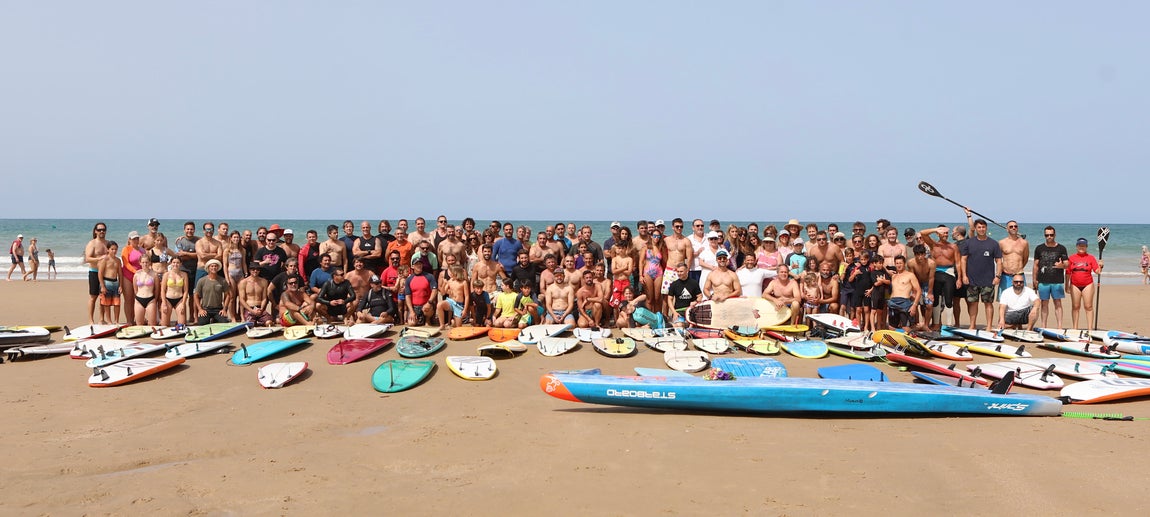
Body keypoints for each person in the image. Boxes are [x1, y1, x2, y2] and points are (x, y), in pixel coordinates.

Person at [960, 216, 1002, 329]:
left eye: (983, 227)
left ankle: (988, 326)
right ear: (976, 228)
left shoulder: (993, 244)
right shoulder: (969, 243)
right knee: (973, 303)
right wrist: (964, 275)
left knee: (988, 303)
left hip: (988, 280)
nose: (982, 229)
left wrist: (998, 276)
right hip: (972, 279)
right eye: (979, 227)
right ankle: (972, 325)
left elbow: (999, 261)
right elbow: (963, 259)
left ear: (986, 228)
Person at [919, 225, 959, 329]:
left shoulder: (953, 246)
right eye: (943, 233)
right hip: (935, 272)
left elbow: (958, 263)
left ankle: (949, 324)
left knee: (949, 300)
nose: (945, 235)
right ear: (938, 234)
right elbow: (923, 233)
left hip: (949, 272)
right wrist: (936, 229)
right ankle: (936, 324)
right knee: (935, 300)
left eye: (946, 233)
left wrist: (959, 278)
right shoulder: (933, 245)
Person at [1031, 226, 1069, 328]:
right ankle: (1044, 326)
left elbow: (1067, 264)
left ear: (1055, 235)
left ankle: (1059, 327)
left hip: (1057, 281)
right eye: (1047, 235)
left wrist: (1062, 266)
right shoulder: (1039, 248)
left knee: (1058, 303)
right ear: (1044, 235)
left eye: (1051, 235)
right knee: (1044, 304)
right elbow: (1035, 265)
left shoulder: (1061, 248)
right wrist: (1034, 280)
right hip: (1043, 281)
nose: (1049, 237)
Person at [1067, 237, 1103, 330]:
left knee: (1088, 306)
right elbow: (1067, 273)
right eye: (1079, 245)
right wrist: (1066, 285)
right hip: (1074, 284)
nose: (1081, 247)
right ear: (1076, 246)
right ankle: (1075, 328)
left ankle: (1090, 329)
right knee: (1075, 306)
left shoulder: (1091, 258)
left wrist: (1101, 266)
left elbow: (1097, 271)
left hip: (1088, 284)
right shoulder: (1071, 258)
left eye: (1083, 245)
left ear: (1086, 246)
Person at [84, 223, 110, 324]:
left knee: (103, 297)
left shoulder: (108, 243)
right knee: (93, 296)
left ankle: (102, 319)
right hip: (94, 272)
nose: (101, 231)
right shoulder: (92, 243)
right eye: (99, 230)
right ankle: (91, 320)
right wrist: (99, 258)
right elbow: (87, 258)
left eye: (103, 229)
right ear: (95, 231)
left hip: (106, 273)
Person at [887, 256, 921, 333]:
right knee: (891, 327)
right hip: (893, 302)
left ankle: (913, 335)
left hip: (904, 302)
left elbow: (918, 290)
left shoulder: (910, 275)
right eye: (897, 263)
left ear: (904, 264)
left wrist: (914, 305)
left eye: (900, 263)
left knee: (905, 327)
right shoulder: (893, 276)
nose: (899, 265)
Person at [193, 259, 231, 325]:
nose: (214, 268)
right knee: (202, 324)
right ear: (208, 268)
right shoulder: (202, 281)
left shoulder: (222, 280)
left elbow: (227, 295)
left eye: (215, 266)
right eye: (212, 266)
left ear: (218, 268)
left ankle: (214, 319)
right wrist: (200, 309)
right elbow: (196, 295)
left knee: (224, 323)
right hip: (205, 309)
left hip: (218, 309)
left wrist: (224, 309)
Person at [665, 262, 702, 327]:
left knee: (689, 325)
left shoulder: (694, 283)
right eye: (678, 271)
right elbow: (669, 299)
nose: (679, 273)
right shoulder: (674, 284)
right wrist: (674, 312)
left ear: (687, 270)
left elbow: (700, 296)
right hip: (679, 311)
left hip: (691, 311)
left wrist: (695, 302)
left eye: (681, 271)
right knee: (679, 325)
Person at [998, 221, 1030, 296]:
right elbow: (998, 259)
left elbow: (1025, 258)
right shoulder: (1001, 242)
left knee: (1022, 300)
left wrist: (1018, 269)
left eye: (1015, 226)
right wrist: (1002, 269)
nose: (1013, 228)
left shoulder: (1024, 243)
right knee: (1004, 300)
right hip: (1005, 276)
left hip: (1020, 275)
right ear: (1007, 229)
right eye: (1011, 226)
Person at [403, 259, 437, 326]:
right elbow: (407, 296)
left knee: (427, 319)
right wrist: (412, 311)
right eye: (417, 264)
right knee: (411, 323)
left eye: (420, 264)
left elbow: (435, 290)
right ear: (412, 266)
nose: (419, 265)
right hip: (415, 307)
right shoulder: (409, 280)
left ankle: (428, 320)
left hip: (427, 305)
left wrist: (429, 302)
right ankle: (419, 319)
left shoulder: (429, 276)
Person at [436, 265, 470, 329]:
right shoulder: (450, 281)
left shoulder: (463, 282)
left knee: (458, 327)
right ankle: (442, 325)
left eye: (452, 272)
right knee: (439, 305)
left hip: (458, 304)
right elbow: (443, 293)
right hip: (450, 301)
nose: (450, 274)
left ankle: (454, 322)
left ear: (457, 273)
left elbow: (467, 296)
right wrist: (444, 284)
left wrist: (465, 309)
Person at [98, 241, 123, 324]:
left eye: (115, 249)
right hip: (106, 282)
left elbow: (120, 274)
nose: (114, 251)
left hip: (115, 282)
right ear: (108, 249)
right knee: (106, 303)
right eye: (112, 249)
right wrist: (102, 286)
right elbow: (100, 273)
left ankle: (116, 320)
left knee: (117, 303)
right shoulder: (105, 260)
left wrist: (120, 285)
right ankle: (109, 320)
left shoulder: (118, 260)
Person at [160, 256, 190, 327]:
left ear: (180, 264)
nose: (175, 264)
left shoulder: (184, 275)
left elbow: (186, 291)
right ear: (171, 263)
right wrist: (164, 303)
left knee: (182, 325)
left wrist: (183, 303)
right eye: (173, 262)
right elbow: (163, 290)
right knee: (165, 325)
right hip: (168, 299)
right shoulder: (166, 275)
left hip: (179, 299)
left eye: (177, 263)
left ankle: (179, 321)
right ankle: (162, 321)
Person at [132, 254, 158, 325]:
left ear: (149, 262)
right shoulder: (137, 274)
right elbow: (135, 289)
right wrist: (138, 296)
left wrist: (155, 300)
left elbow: (156, 289)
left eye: (146, 262)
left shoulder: (154, 274)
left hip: (150, 300)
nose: (145, 264)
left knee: (152, 323)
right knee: (139, 324)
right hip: (139, 300)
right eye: (143, 262)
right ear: (140, 263)